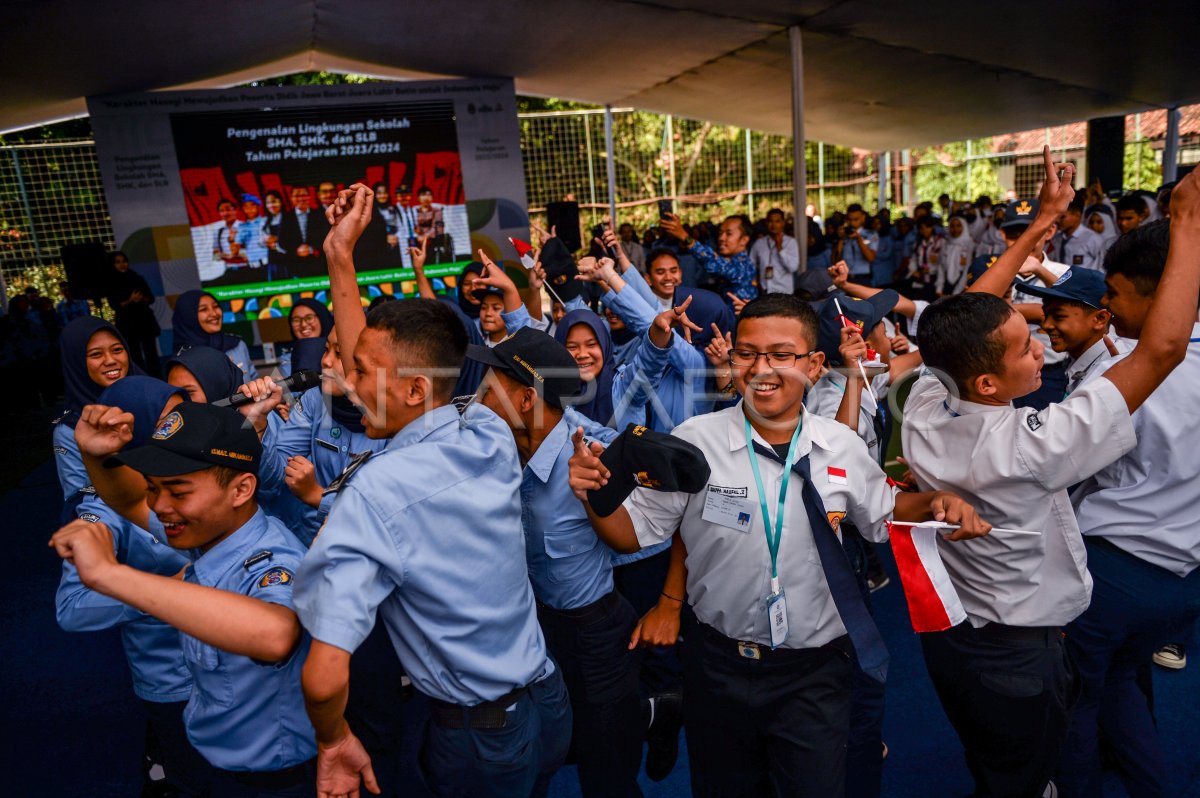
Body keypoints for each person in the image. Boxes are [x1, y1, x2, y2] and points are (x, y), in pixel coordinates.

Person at [568, 291, 990, 796]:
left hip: (813, 669)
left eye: (781, 355)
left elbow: (884, 511)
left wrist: (936, 501)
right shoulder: (695, 440)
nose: (761, 368)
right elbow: (632, 534)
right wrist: (595, 495)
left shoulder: (841, 446)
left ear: (813, 366)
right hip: (718, 664)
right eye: (746, 353)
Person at [902, 148, 1200, 798]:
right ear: (986, 379)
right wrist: (1186, 223)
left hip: (955, 633)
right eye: (1024, 345)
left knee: (992, 753)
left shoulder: (924, 406)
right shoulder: (1037, 445)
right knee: (1028, 769)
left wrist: (1039, 229)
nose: (1041, 342)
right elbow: (1164, 348)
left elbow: (956, 321)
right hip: (1020, 654)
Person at [293, 182, 570, 798]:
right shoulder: (488, 437)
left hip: (478, 736)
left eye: (359, 372)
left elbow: (322, 674)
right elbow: (390, 361)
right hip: (547, 700)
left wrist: (333, 739)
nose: (344, 376)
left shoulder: (377, 490)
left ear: (416, 392)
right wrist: (341, 258)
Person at [57, 400, 318, 795]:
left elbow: (276, 633)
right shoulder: (213, 534)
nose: (159, 507)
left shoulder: (271, 559)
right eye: (153, 488)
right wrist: (98, 456)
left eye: (177, 491)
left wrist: (110, 575)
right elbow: (127, 501)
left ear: (242, 489)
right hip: (212, 759)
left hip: (268, 782)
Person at [1056, 170, 1200, 798]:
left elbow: (1067, 467)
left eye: (1115, 294)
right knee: (1120, 686)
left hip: (1112, 569)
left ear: (1159, 290)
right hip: (1185, 582)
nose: (1108, 308)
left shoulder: (1122, 377)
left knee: (1075, 703)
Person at [466, 327, 652, 797]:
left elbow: (666, 526)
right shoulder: (491, 447)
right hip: (529, 633)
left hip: (594, 638)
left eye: (490, 389)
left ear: (526, 400)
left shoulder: (598, 456)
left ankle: (661, 709)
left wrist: (668, 604)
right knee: (538, 758)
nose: (477, 397)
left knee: (607, 770)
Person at [54, 375, 211, 795]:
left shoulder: (188, 476)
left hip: (226, 669)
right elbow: (72, 607)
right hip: (172, 681)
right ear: (132, 429)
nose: (178, 430)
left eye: (182, 418)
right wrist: (159, 594)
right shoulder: (101, 510)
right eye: (165, 422)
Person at [54, 316, 142, 521]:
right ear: (76, 362)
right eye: (96, 354)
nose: (111, 360)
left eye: (117, 350)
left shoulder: (154, 397)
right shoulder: (70, 428)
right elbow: (79, 498)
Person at [660, 212, 757, 302]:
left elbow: (714, 263)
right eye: (720, 233)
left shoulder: (743, 265)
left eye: (729, 234)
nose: (721, 238)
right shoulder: (729, 260)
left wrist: (685, 237)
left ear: (744, 240)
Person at [170, 290, 258, 379]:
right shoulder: (185, 358)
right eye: (203, 309)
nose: (214, 313)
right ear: (188, 316)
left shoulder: (237, 345)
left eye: (216, 306)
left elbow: (253, 378)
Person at [106, 251, 161, 374]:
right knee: (134, 353)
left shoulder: (137, 278)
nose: (122, 265)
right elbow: (114, 305)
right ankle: (140, 379)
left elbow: (150, 298)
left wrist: (141, 299)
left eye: (124, 261)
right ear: (113, 264)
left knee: (151, 352)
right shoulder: (111, 283)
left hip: (144, 320)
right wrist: (130, 300)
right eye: (118, 262)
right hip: (127, 323)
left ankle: (157, 379)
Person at [164, 345, 246, 404]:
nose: (177, 402)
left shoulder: (250, 420)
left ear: (218, 388)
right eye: (173, 393)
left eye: (188, 392)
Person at [279, 186, 329, 279]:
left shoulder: (319, 215)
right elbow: (282, 241)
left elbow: (326, 236)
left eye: (303, 195)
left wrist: (311, 249)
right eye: (297, 196)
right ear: (292, 199)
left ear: (309, 197)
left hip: (318, 264)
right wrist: (296, 250)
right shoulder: (286, 217)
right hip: (295, 266)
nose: (301, 199)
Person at [276, 298, 333, 377]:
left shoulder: (338, 354)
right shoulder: (287, 360)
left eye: (309, 318)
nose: (303, 325)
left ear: (323, 318)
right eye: (296, 320)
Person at [750, 208, 800, 294]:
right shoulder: (759, 243)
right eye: (770, 221)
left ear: (783, 223)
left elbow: (793, 267)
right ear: (766, 223)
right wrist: (755, 284)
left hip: (784, 292)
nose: (773, 225)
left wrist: (780, 248)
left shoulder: (790, 242)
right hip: (765, 291)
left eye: (777, 221)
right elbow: (750, 265)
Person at [1053, 195, 1106, 272]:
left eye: (1062, 217)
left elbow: (1102, 265)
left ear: (1077, 215)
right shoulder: (1057, 238)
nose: (1057, 220)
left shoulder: (1093, 239)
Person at [835, 204, 879, 285]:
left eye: (856, 219)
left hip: (863, 278)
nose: (852, 223)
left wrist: (859, 239)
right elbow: (835, 260)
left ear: (863, 217)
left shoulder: (870, 234)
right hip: (846, 277)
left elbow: (871, 258)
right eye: (850, 220)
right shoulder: (844, 234)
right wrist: (840, 239)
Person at [936, 215, 974, 295]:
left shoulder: (970, 245)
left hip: (962, 288)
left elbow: (967, 269)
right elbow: (941, 267)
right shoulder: (946, 244)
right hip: (946, 286)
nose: (955, 229)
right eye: (952, 226)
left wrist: (956, 292)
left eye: (958, 226)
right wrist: (939, 288)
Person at [233, 194, 270, 273]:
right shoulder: (242, 227)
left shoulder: (266, 221)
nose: (249, 209)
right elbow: (236, 247)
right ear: (243, 209)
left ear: (257, 206)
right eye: (246, 206)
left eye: (252, 205)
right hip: (253, 266)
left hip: (269, 262)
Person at [262, 190, 292, 282]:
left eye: (274, 201)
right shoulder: (265, 221)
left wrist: (278, 242)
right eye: (268, 203)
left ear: (280, 202)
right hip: (273, 260)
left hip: (288, 259)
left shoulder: (289, 218)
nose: (271, 205)